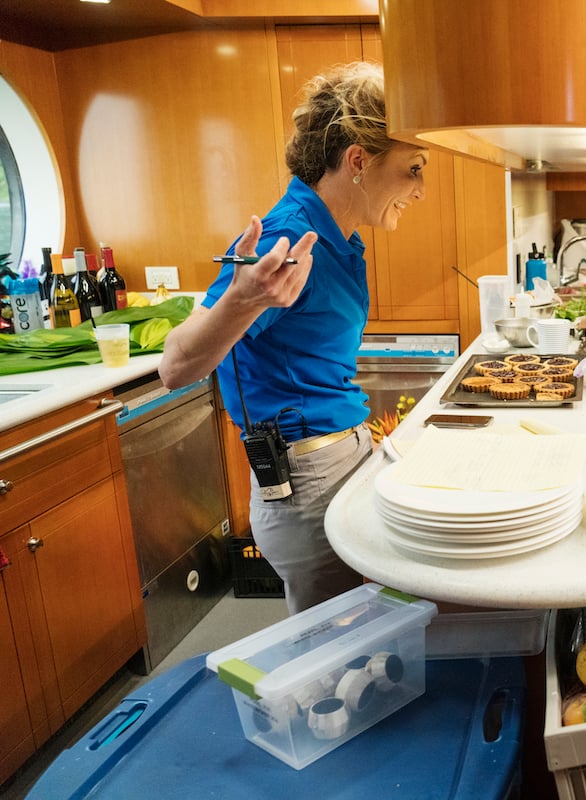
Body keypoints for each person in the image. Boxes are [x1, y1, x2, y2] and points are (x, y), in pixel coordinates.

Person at [160, 62, 428, 614]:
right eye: (413, 169)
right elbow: (176, 365)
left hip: (340, 459)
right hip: (305, 481)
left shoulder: (340, 237)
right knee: (335, 661)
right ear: (359, 160)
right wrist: (242, 300)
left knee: (363, 645)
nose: (421, 189)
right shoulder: (287, 236)